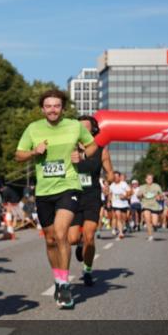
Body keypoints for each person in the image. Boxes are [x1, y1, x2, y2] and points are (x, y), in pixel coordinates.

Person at [15, 89, 97, 309]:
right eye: (48, 106)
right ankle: (58, 279)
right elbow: (18, 154)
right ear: (42, 109)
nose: (53, 110)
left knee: (61, 233)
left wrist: (82, 155)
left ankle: (64, 285)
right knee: (50, 239)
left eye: (57, 106)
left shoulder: (74, 126)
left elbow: (93, 145)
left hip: (69, 186)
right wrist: (34, 152)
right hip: (44, 192)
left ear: (63, 108)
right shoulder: (33, 128)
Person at [67, 115, 113, 286]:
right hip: (73, 196)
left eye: (85, 127)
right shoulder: (69, 150)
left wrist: (107, 182)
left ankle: (87, 270)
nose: (81, 130)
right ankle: (79, 245)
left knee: (89, 235)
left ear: (93, 130)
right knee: (72, 238)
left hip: (92, 196)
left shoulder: (101, 151)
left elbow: (110, 173)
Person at [137, 174, 164, 241]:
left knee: (154, 223)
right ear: (146, 179)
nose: (149, 180)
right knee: (147, 220)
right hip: (146, 205)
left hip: (155, 206)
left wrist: (159, 197)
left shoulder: (156, 186)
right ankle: (150, 235)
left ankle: (155, 226)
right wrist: (140, 195)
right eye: (148, 179)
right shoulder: (142, 187)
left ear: (152, 179)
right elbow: (138, 195)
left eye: (151, 179)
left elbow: (162, 195)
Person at [108, 172, 131, 238]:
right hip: (115, 204)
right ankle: (120, 232)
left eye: (117, 176)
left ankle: (123, 228)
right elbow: (110, 194)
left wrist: (124, 196)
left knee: (124, 218)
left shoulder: (123, 184)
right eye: (114, 176)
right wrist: (109, 202)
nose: (115, 178)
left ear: (119, 177)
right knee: (118, 217)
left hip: (124, 204)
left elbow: (130, 192)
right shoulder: (112, 185)